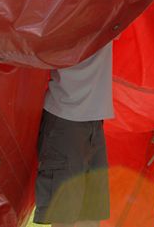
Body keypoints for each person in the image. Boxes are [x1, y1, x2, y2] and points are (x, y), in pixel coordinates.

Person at [33, 40, 115, 227]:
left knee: (91, 214)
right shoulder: (62, 19)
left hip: (93, 119)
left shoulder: (108, 21)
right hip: (65, 118)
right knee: (64, 215)